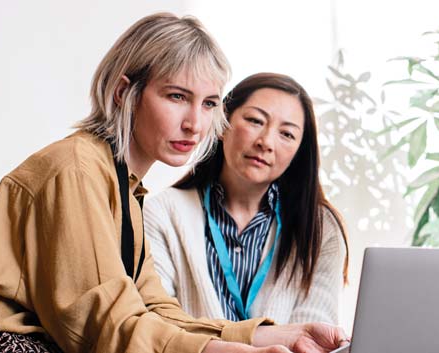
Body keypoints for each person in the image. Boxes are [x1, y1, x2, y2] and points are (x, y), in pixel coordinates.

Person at [0, 13, 346, 353]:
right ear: (125, 92)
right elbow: (105, 323)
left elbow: (154, 311)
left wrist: (275, 335)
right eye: (177, 96)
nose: (195, 123)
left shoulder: (123, 184)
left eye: (209, 103)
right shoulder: (77, 170)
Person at [143, 73, 349, 325]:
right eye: (254, 120)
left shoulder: (321, 229)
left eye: (287, 134)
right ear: (222, 123)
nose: (266, 142)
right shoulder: (161, 213)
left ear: (298, 151)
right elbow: (160, 327)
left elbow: (313, 336)